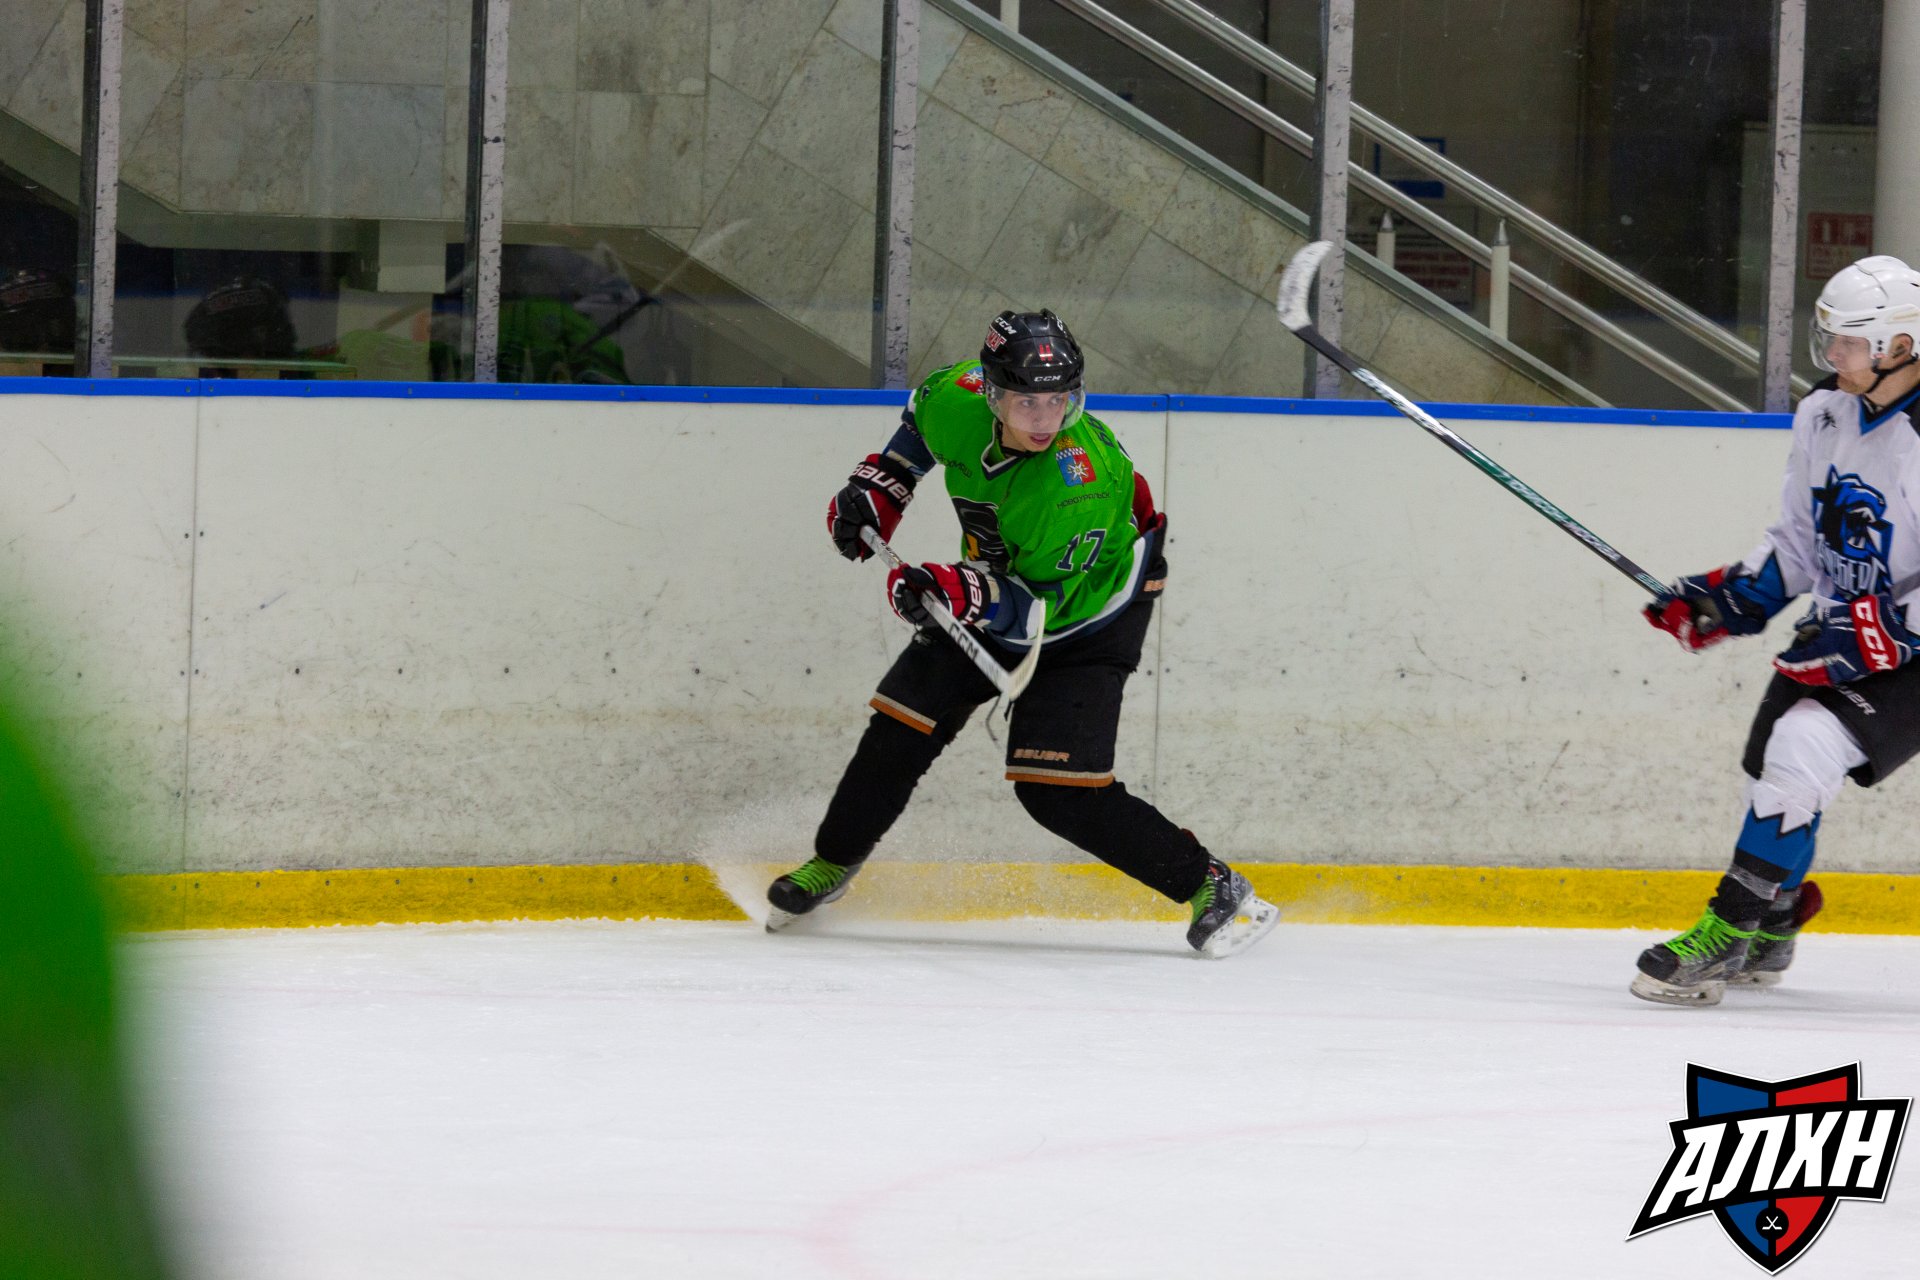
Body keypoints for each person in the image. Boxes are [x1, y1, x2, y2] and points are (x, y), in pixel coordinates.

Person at [765, 310, 1279, 958]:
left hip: (1093, 610)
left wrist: (954, 592)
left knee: (1056, 792)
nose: (1045, 418)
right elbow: (919, 428)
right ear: (990, 392)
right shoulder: (956, 397)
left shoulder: (1074, 483)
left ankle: (1210, 883)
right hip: (1001, 582)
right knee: (903, 722)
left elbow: (1039, 609)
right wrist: (884, 485)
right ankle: (833, 862)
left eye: (1059, 400)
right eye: (1027, 401)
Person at [1633, 253, 1920, 1005]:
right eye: (1831, 340)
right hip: (1846, 625)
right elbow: (1799, 539)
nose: (1833, 356)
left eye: (1850, 343)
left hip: (1916, 651)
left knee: (1803, 745)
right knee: (1772, 771)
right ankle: (1776, 922)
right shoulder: (1825, 410)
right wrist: (1731, 599)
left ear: (1899, 345)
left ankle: (1727, 932)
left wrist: (1882, 630)